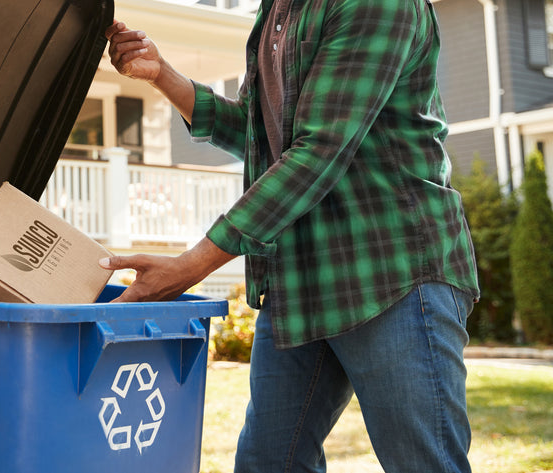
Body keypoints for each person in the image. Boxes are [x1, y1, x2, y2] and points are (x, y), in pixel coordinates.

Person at [99, 0, 480, 471]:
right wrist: (163, 76)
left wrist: (188, 267)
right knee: (268, 463)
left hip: (391, 274)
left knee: (424, 463)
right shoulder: (277, 10)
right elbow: (264, 140)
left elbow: (319, 150)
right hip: (300, 279)